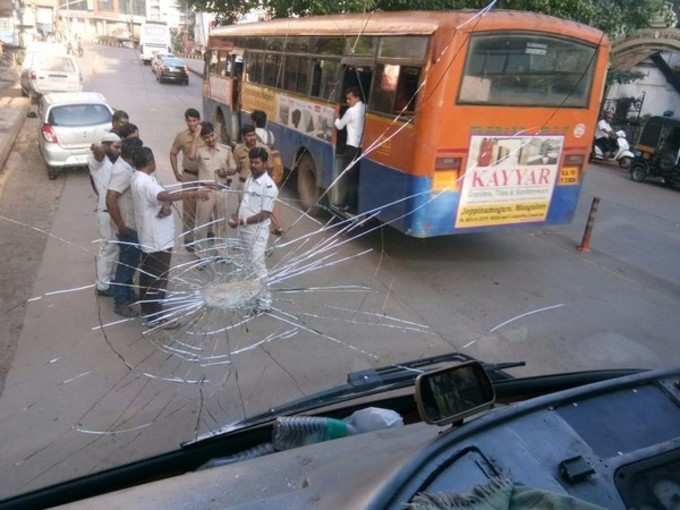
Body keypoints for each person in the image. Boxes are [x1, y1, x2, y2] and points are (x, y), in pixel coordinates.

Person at [131, 147, 210, 328]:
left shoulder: (137, 177)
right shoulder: (145, 182)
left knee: (149, 275)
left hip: (150, 236)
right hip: (157, 240)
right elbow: (163, 195)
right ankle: (155, 317)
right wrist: (193, 193)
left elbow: (159, 199)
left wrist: (165, 205)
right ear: (151, 162)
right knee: (157, 277)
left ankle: (148, 309)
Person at [229, 147, 279, 313]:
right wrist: (236, 215)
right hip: (243, 230)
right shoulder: (250, 178)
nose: (253, 165)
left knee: (258, 266)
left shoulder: (269, 187)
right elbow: (244, 202)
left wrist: (242, 220)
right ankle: (253, 295)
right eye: (251, 162)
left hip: (257, 232)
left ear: (265, 164)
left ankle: (265, 302)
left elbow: (265, 214)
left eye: (257, 162)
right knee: (247, 264)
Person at [106, 137, 144, 318]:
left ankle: (127, 294)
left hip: (130, 224)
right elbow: (111, 198)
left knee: (132, 261)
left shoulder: (128, 167)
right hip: (126, 226)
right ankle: (120, 301)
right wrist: (121, 226)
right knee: (126, 263)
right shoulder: (122, 171)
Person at [193, 121, 238, 254]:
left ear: (216, 133)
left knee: (221, 223)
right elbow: (191, 156)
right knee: (202, 223)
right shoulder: (199, 151)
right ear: (202, 138)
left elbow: (234, 168)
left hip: (221, 190)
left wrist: (227, 172)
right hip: (205, 191)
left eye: (212, 135)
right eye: (206, 137)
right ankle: (200, 253)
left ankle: (221, 251)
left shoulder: (226, 150)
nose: (210, 139)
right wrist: (196, 136)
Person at [234, 125, 284, 235]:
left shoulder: (264, 149)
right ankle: (243, 239)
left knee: (262, 214)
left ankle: (265, 242)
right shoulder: (238, 151)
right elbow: (237, 168)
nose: (252, 138)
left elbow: (270, 167)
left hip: (260, 185)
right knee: (244, 211)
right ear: (243, 137)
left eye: (253, 135)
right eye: (248, 135)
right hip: (244, 184)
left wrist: (266, 183)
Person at [89, 132, 121, 297]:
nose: (119, 150)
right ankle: (103, 285)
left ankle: (110, 278)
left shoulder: (114, 161)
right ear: (107, 146)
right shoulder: (98, 162)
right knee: (108, 248)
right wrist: (98, 146)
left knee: (114, 248)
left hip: (115, 211)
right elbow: (99, 152)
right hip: (106, 211)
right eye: (116, 147)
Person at [170, 108, 203, 252]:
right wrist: (176, 172)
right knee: (189, 209)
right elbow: (173, 153)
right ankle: (189, 240)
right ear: (186, 121)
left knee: (204, 207)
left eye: (195, 120)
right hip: (189, 176)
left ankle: (206, 236)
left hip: (204, 176)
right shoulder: (181, 136)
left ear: (199, 120)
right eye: (189, 120)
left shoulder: (206, 134)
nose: (192, 123)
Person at [333, 87, 365, 212]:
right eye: (346, 98)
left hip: (351, 148)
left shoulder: (351, 111)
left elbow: (339, 126)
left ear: (357, 98)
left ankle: (348, 205)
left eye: (349, 98)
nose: (347, 101)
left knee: (349, 178)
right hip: (361, 149)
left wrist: (336, 115)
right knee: (355, 178)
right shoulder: (364, 107)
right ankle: (353, 205)